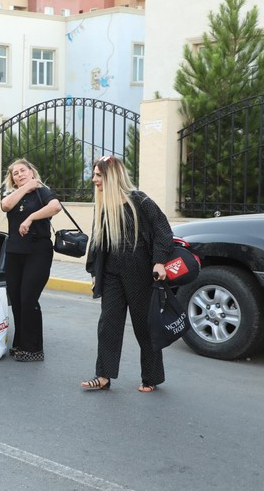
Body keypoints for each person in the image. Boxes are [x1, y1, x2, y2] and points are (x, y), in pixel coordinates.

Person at [81, 155, 173, 393]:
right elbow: (97, 241)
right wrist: (94, 271)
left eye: (98, 175)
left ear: (112, 176)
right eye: (94, 175)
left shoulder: (140, 201)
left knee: (144, 325)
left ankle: (151, 377)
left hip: (139, 270)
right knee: (108, 323)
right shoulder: (103, 204)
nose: (94, 180)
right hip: (112, 272)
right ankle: (103, 376)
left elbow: (163, 231)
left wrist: (159, 262)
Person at [0, 159, 61, 362]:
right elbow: (6, 205)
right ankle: (20, 344)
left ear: (32, 172)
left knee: (28, 298)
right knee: (16, 300)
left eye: (23, 171)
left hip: (38, 252)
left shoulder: (42, 192)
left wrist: (31, 217)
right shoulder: (12, 195)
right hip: (15, 252)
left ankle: (34, 349)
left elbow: (55, 207)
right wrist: (25, 187)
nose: (19, 174)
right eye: (15, 173)